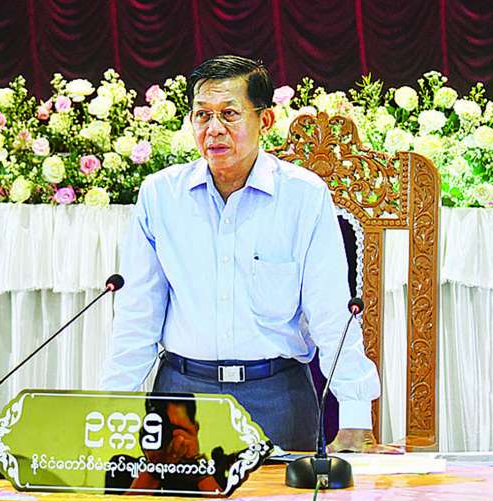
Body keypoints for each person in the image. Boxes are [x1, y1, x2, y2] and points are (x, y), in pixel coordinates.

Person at [102, 55, 398, 454]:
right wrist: (110, 412)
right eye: (202, 115)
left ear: (266, 120)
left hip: (276, 396)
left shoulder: (302, 196)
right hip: (182, 396)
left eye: (229, 114)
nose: (214, 129)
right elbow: (137, 315)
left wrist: (355, 418)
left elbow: (330, 313)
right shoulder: (161, 196)